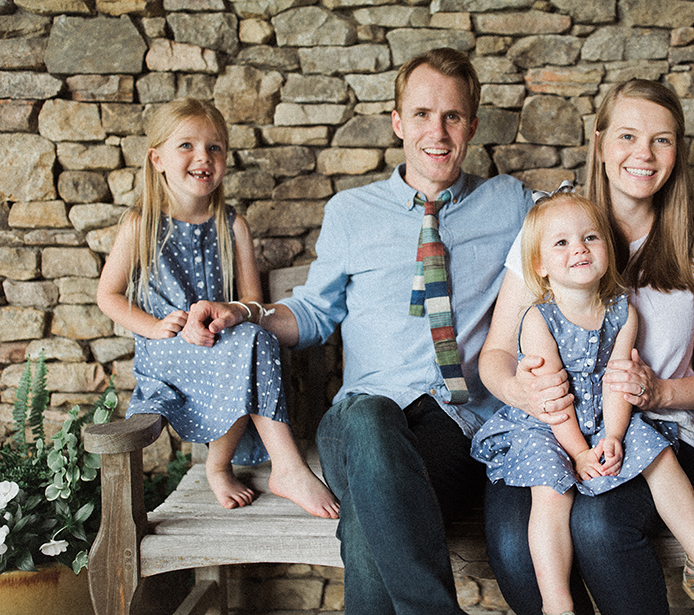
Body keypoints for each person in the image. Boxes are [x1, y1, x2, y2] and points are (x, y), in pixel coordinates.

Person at [179, 48, 536, 615]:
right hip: (360, 422)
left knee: (374, 526)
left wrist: (689, 233)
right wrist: (245, 313)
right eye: (421, 114)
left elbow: (595, 227)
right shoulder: (352, 212)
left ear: (472, 123)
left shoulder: (511, 203)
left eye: (452, 117)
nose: (436, 132)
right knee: (372, 418)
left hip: (459, 425)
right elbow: (313, 315)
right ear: (398, 123)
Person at [479, 79, 694, 615]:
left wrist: (662, 391)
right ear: (598, 143)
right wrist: (525, 393)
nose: (642, 154)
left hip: (657, 432)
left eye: (662, 140)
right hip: (550, 429)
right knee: (513, 544)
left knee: (598, 526)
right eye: (626, 135)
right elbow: (495, 354)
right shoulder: (555, 233)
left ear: (678, 153)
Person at [96, 98, 338, 518]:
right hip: (168, 347)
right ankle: (269, 466)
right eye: (186, 145)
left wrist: (229, 312)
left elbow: (251, 303)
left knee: (252, 336)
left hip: (223, 341)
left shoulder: (232, 225)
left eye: (215, 148)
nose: (203, 157)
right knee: (248, 343)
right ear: (157, 159)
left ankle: (250, 465)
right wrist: (155, 327)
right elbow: (109, 296)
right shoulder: (142, 225)